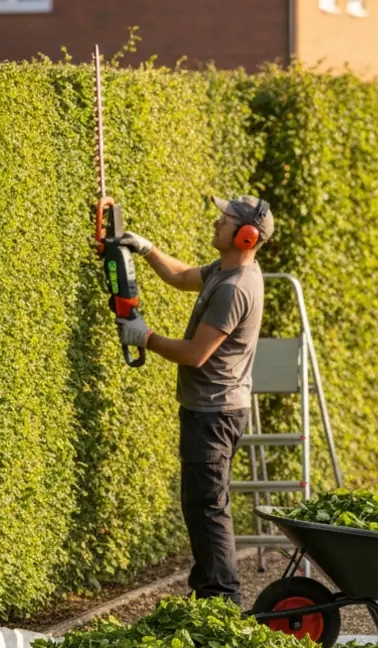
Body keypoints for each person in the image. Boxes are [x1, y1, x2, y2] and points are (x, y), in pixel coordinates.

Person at [114, 195, 273, 607]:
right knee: (201, 503)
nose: (216, 224)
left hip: (215, 412)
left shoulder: (236, 288)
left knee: (207, 507)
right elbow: (182, 275)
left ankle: (222, 599)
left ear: (246, 235)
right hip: (211, 408)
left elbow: (194, 354)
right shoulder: (226, 271)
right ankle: (209, 594)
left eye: (225, 221)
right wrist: (147, 250)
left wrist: (144, 337)